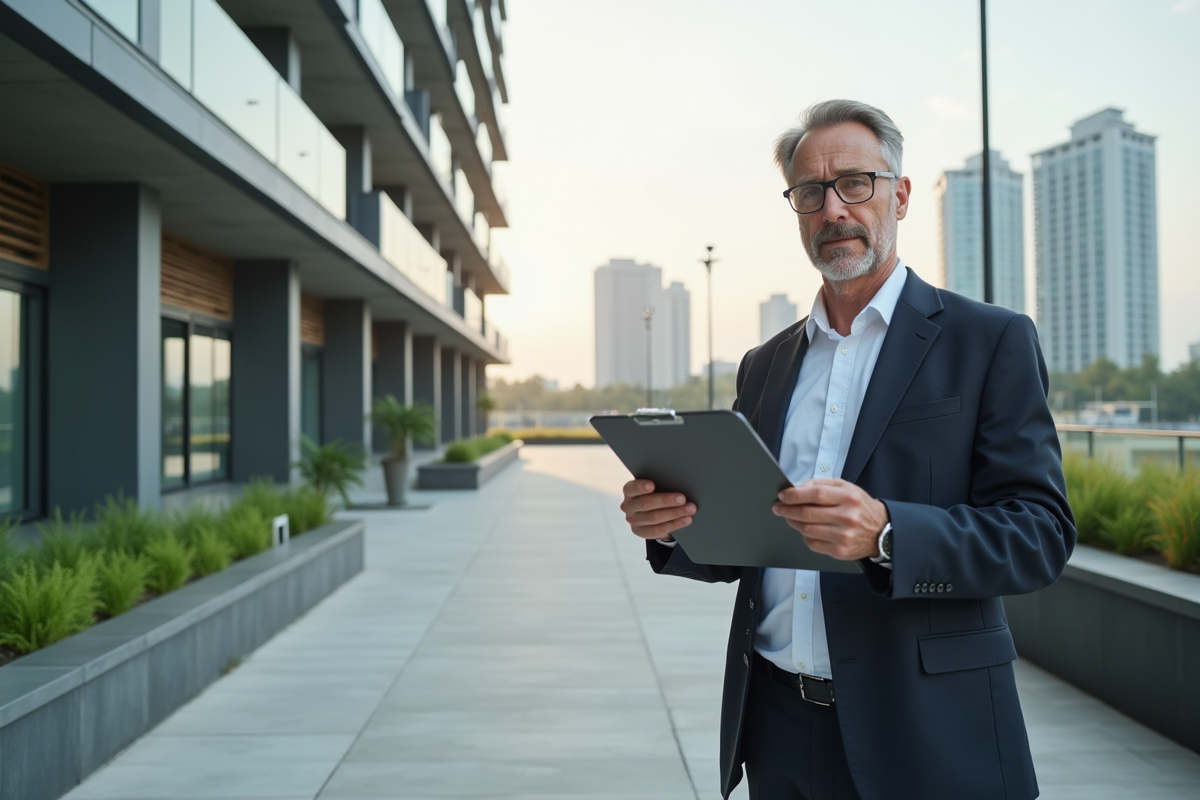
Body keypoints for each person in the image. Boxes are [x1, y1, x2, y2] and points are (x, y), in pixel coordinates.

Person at [619, 100, 1075, 800]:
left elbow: (1039, 535)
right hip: (775, 725)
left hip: (926, 732)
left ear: (900, 193)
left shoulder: (989, 341)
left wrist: (888, 534)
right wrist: (674, 524)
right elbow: (745, 538)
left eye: (854, 183)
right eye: (810, 191)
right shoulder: (764, 364)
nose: (833, 208)